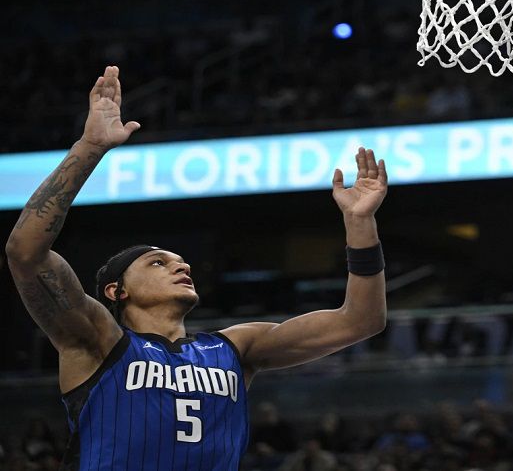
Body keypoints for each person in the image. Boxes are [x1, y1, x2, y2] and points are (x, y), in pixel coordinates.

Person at [4, 67, 389, 470]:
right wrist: (90, 147)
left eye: (181, 261)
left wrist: (360, 224)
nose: (180, 266)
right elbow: (25, 253)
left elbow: (361, 321)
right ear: (117, 291)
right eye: (158, 262)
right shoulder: (96, 339)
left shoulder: (235, 348)